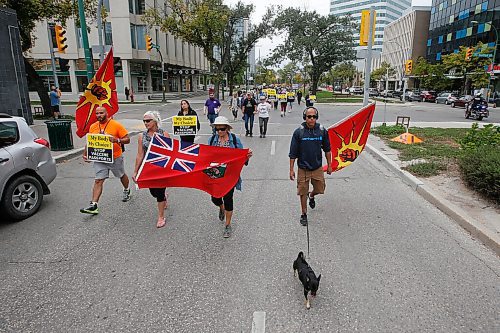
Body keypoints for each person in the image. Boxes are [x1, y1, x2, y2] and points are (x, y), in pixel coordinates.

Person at [80, 106, 131, 215]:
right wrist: (86, 154)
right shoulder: (93, 126)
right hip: (100, 157)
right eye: (97, 113)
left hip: (115, 157)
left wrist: (117, 140)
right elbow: (90, 141)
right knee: (98, 180)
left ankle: (126, 189)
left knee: (121, 175)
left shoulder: (116, 125)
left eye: (101, 113)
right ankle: (94, 205)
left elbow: (127, 139)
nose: (99, 115)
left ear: (107, 113)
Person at [208, 116, 252, 238]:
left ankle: (227, 225)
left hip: (230, 176)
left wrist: (246, 156)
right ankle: (221, 207)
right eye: (217, 129)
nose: (220, 131)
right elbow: (207, 156)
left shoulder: (234, 139)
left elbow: (241, 155)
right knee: (215, 198)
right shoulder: (212, 140)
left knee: (228, 198)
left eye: (222, 128)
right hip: (216, 174)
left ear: (227, 128)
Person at [289, 107, 332, 226]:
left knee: (320, 189)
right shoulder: (299, 132)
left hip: (317, 167)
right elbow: (293, 153)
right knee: (303, 192)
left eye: (314, 116)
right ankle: (303, 214)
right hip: (303, 168)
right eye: (309, 117)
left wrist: (329, 165)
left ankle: (312, 196)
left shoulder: (322, 131)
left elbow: (327, 149)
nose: (311, 119)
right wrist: (291, 169)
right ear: (305, 118)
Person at [133, 111, 170, 228]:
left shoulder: (164, 134)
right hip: (148, 169)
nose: (145, 123)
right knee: (153, 192)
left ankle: (161, 217)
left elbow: (170, 153)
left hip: (160, 168)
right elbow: (140, 154)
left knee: (159, 192)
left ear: (155, 121)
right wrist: (136, 171)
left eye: (148, 120)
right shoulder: (142, 136)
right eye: (144, 121)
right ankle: (163, 198)